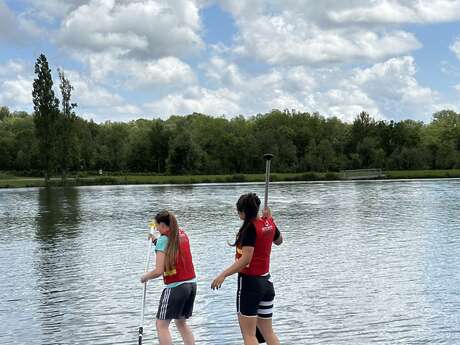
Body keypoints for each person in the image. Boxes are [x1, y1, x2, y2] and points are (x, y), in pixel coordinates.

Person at [211, 193, 283, 345]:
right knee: (268, 332)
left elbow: (246, 259)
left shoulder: (250, 229)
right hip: (267, 283)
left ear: (244, 212)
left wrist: (223, 275)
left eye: (238, 211)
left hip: (250, 284)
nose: (238, 214)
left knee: (249, 335)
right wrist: (271, 221)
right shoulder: (268, 222)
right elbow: (279, 241)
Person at [141, 210, 197, 345]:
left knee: (161, 325)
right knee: (181, 323)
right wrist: (156, 241)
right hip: (191, 285)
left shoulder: (163, 240)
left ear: (162, 225)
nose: (156, 228)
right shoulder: (182, 234)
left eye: (157, 225)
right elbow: (170, 248)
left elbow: (158, 271)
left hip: (176, 287)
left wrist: (145, 277)